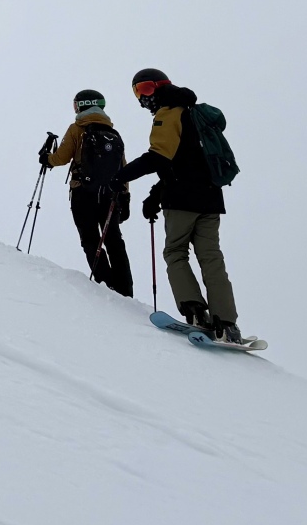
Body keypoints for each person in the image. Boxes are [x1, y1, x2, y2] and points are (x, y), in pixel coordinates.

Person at [124, 68, 240, 341]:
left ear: (160, 87)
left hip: (182, 201)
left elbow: (158, 158)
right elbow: (184, 163)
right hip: (211, 199)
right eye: (138, 92)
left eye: (145, 89)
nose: (143, 97)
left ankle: (196, 311)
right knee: (211, 257)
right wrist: (155, 195)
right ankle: (227, 323)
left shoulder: (169, 113)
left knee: (175, 252)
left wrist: (119, 176)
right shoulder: (195, 114)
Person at [45, 89, 133, 295]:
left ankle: (105, 284)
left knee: (90, 239)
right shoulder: (113, 133)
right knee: (114, 240)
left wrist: (46, 159)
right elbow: (123, 167)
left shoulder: (77, 128)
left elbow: (61, 157)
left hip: (82, 192)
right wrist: (125, 197)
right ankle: (125, 289)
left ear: (82, 105)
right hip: (111, 196)